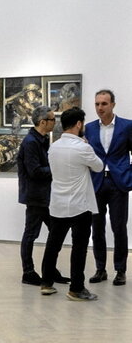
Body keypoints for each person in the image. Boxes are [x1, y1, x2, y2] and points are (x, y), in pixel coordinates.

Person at [39, 107, 103, 301]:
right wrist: (86, 145)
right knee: (79, 247)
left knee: (53, 244)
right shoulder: (83, 147)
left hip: (58, 203)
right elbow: (99, 166)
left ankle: (46, 283)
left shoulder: (54, 147)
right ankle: (76, 288)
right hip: (79, 205)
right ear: (78, 124)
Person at [17, 105, 69, 285]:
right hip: (35, 197)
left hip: (45, 196)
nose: (55, 122)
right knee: (31, 234)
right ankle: (28, 272)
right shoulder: (31, 142)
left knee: (55, 231)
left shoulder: (42, 139)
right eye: (52, 119)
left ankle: (50, 269)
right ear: (42, 122)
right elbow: (35, 171)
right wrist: (56, 168)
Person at [85, 89, 132, 286]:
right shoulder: (89, 128)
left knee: (118, 227)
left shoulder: (127, 126)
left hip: (118, 182)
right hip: (96, 182)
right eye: (97, 104)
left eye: (104, 104)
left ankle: (120, 270)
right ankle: (100, 268)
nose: (100, 108)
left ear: (113, 104)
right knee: (97, 228)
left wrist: (129, 174)